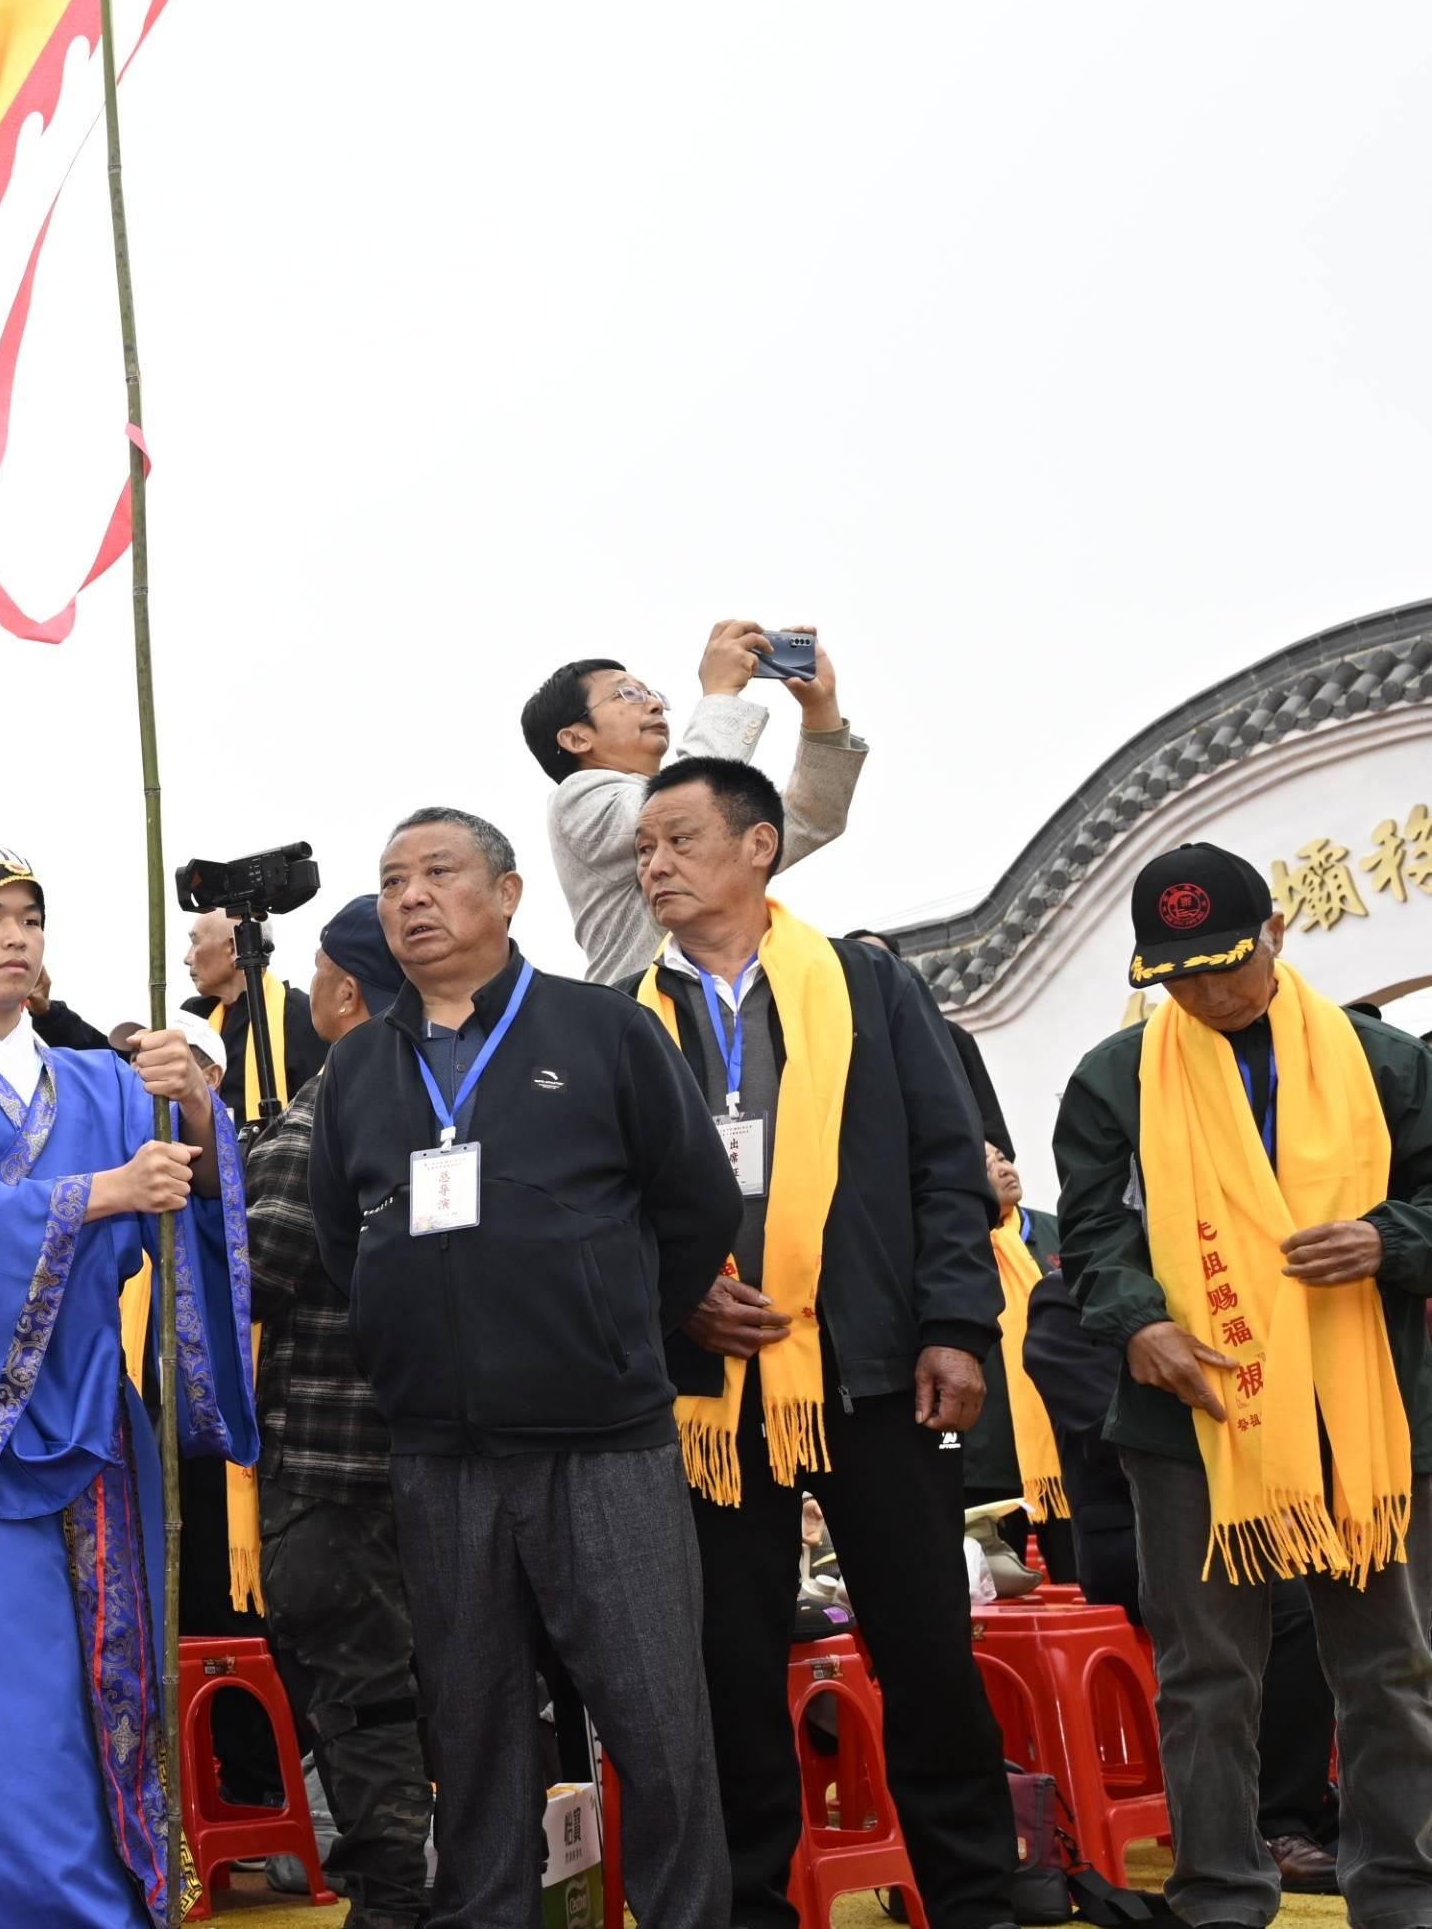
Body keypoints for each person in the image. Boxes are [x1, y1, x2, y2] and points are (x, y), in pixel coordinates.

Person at [307, 808, 739, 1929]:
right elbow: (339, 1239)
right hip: (438, 1454)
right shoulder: (356, 1067)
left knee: (654, 1719)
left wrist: (608, 1332)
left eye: (436, 871)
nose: (410, 896)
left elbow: (694, 1206)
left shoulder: (601, 1028)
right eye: (391, 879)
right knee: (470, 1728)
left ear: (505, 893)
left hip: (601, 1440)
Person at [631, 756, 1020, 1929]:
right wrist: (678, 1297)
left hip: (871, 1365)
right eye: (641, 848)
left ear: (757, 846)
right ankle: (748, 1904)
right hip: (706, 1391)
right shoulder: (619, 1018)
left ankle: (972, 1899)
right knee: (727, 1662)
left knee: (925, 1651)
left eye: (678, 839)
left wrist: (953, 1326)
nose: (652, 865)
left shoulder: (865, 984)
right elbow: (599, 1202)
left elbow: (944, 1163)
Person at [0, 836, 254, 1928]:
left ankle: (119, 1894)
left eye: (30, 917)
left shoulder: (102, 1080)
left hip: (93, 1410)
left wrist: (193, 1113)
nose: (17, 937)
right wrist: (99, 1192)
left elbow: (198, 1195)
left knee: (109, 1672)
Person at [1050, 842, 1432, 1929]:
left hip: (1363, 1405)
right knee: (1206, 1675)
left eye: (1224, 964)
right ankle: (1219, 1893)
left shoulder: (1382, 1061)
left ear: (1274, 933)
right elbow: (1093, 1233)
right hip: (1192, 1415)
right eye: (1177, 976)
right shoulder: (1113, 1079)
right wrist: (1138, 1323)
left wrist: (1386, 1239)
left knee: (1389, 1667)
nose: (1207, 994)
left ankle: (1402, 1893)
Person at [239, 894, 430, 1929]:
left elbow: (259, 1270)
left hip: (329, 1462)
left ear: (346, 991)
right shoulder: (452, 1097)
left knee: (358, 1697)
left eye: (315, 970)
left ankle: (391, 1900)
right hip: (449, 1455)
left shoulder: (323, 1111)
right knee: (455, 1683)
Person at [521, 621, 866, 982]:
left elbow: (809, 820)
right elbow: (685, 802)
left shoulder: (685, 806)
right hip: (644, 1011)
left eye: (652, 693)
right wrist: (721, 692)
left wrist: (821, 711)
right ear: (577, 739)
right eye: (627, 694)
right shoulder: (577, 798)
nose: (655, 704)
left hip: (734, 998)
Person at [183, 905, 326, 1136]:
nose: (187, 958)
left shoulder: (301, 1016)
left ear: (233, 947)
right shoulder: (192, 1018)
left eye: (195, 942)